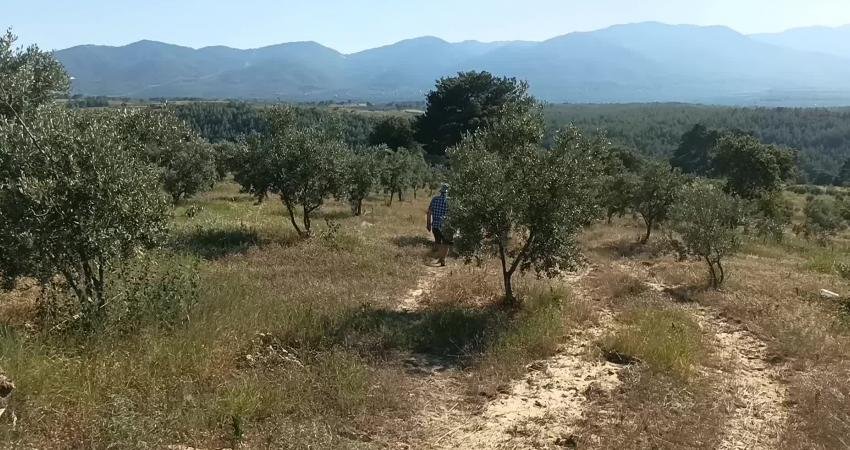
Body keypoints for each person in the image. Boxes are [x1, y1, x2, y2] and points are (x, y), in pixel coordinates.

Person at [426, 184, 451, 266]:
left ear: (441, 192)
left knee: (438, 242)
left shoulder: (434, 199)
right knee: (446, 243)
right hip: (446, 226)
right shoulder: (450, 201)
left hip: (435, 225)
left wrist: (428, 224)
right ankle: (443, 259)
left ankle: (440, 258)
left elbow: (429, 213)